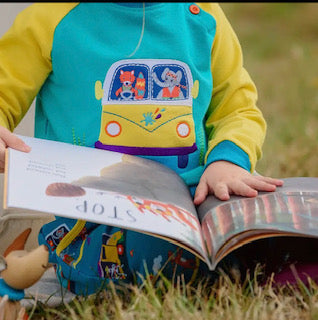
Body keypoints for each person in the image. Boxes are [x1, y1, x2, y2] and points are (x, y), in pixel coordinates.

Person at [0, 3, 283, 295]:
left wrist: (229, 160)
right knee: (157, 253)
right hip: (99, 216)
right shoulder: (52, 17)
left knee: (270, 225)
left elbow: (237, 109)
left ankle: (279, 260)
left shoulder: (203, 14)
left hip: (199, 199)